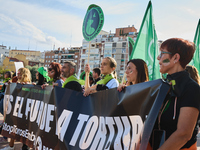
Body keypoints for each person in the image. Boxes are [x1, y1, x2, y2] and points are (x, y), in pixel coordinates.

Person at [148, 38, 200, 150]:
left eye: (162, 54)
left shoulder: (191, 88)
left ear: (175, 58)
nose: (158, 58)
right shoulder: (161, 85)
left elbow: (184, 134)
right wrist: (124, 92)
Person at [1, 68, 32, 150]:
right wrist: (11, 85)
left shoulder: (29, 85)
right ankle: (11, 146)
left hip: (24, 111)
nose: (17, 76)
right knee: (13, 128)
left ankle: (24, 147)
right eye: (17, 74)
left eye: (19, 74)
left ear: (24, 75)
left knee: (24, 131)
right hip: (16, 110)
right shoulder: (16, 83)